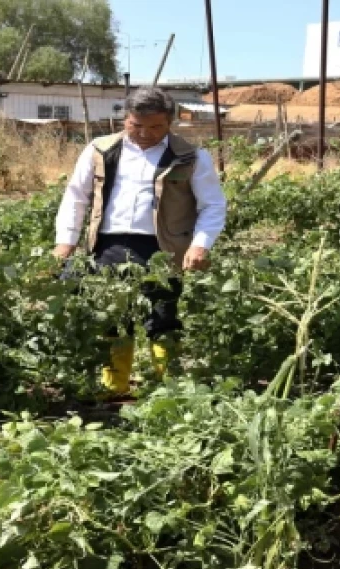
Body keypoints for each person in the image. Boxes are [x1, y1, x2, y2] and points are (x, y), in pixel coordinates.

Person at [54, 87, 227, 397]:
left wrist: (200, 244)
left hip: (162, 248)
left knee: (162, 316)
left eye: (156, 127)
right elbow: (76, 197)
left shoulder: (189, 156)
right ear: (125, 118)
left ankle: (167, 390)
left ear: (170, 122)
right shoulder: (100, 149)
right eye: (136, 125)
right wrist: (65, 241)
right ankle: (114, 387)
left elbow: (212, 205)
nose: (145, 133)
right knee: (112, 316)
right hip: (108, 243)